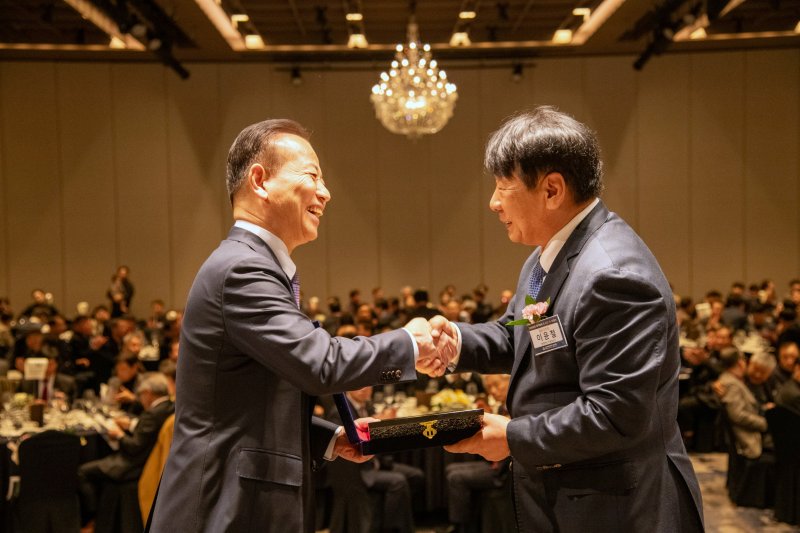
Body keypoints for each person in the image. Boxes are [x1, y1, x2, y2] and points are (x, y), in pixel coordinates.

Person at [149, 119, 448, 532]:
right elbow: (319, 363)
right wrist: (410, 344)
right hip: (219, 507)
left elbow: (245, 405)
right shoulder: (242, 269)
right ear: (259, 180)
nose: (326, 193)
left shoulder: (255, 266)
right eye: (312, 176)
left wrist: (329, 438)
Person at [421, 107, 704, 531]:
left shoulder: (613, 274)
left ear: (552, 189)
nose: (493, 202)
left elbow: (614, 414)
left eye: (503, 186)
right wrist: (455, 343)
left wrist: (512, 437)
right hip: (570, 492)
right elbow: (522, 335)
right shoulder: (547, 255)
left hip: (617, 507)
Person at [78, 373, 174, 526]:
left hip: (132, 466)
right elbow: (149, 432)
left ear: (148, 394)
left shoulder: (151, 414)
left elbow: (134, 447)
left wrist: (119, 435)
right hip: (148, 462)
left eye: (141, 395)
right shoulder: (170, 407)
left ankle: (92, 519)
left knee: (83, 471)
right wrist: (131, 424)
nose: (140, 400)